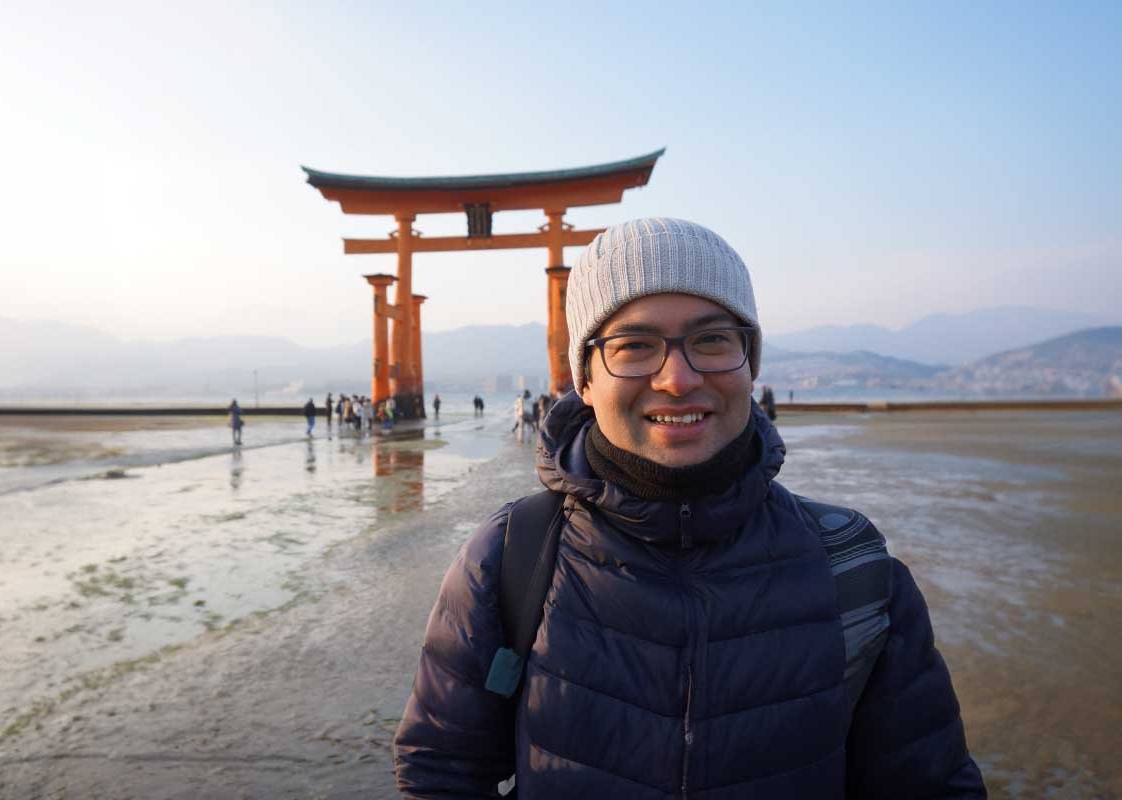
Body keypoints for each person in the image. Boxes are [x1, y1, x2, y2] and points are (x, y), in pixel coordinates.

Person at [394, 218, 984, 798]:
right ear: (585, 380)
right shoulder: (509, 557)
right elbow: (441, 771)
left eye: (711, 340)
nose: (677, 379)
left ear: (750, 364)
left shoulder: (852, 567)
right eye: (634, 345)